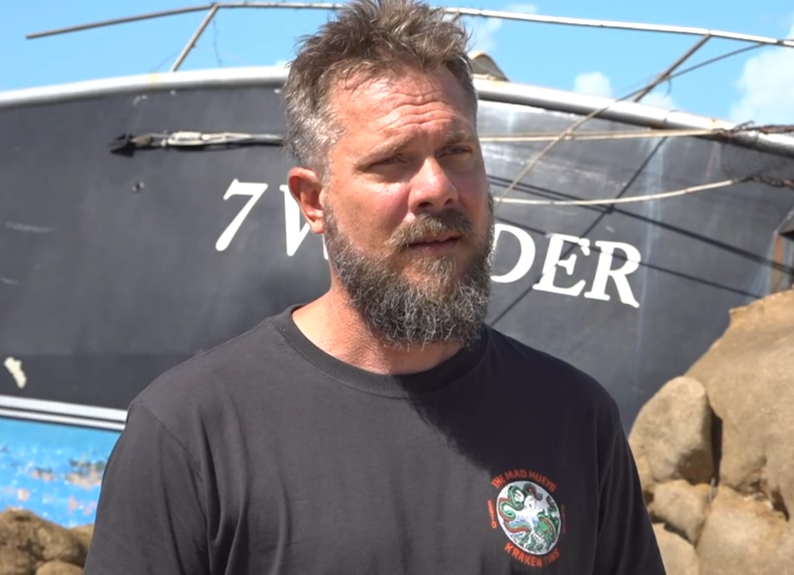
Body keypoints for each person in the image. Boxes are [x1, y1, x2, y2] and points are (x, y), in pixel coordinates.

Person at [84, 0, 666, 573]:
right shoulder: (191, 433)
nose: (437, 188)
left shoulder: (575, 419)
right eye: (392, 161)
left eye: (457, 151)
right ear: (314, 201)